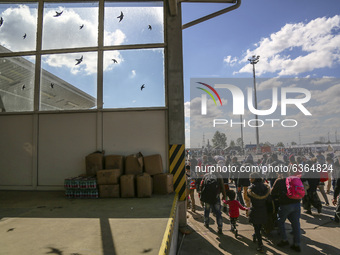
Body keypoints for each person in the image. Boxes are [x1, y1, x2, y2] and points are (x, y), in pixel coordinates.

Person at [271, 172, 302, 252]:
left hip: (285, 205)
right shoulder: (295, 179)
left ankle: (284, 240)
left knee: (280, 221)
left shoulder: (279, 181)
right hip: (297, 203)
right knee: (296, 223)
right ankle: (297, 244)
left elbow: (272, 193)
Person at [247, 172, 270, 253]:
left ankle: (260, 245)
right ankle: (255, 235)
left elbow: (249, 196)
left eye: (250, 178)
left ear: (253, 179)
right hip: (263, 210)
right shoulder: (265, 187)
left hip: (255, 210)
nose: (249, 179)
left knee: (256, 228)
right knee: (259, 226)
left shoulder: (251, 188)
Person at [200, 170, 227, 234]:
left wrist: (201, 197)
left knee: (207, 210)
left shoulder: (206, 175)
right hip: (216, 197)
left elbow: (202, 186)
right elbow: (223, 187)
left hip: (207, 197)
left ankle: (206, 222)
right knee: (218, 212)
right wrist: (224, 195)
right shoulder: (219, 176)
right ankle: (220, 227)